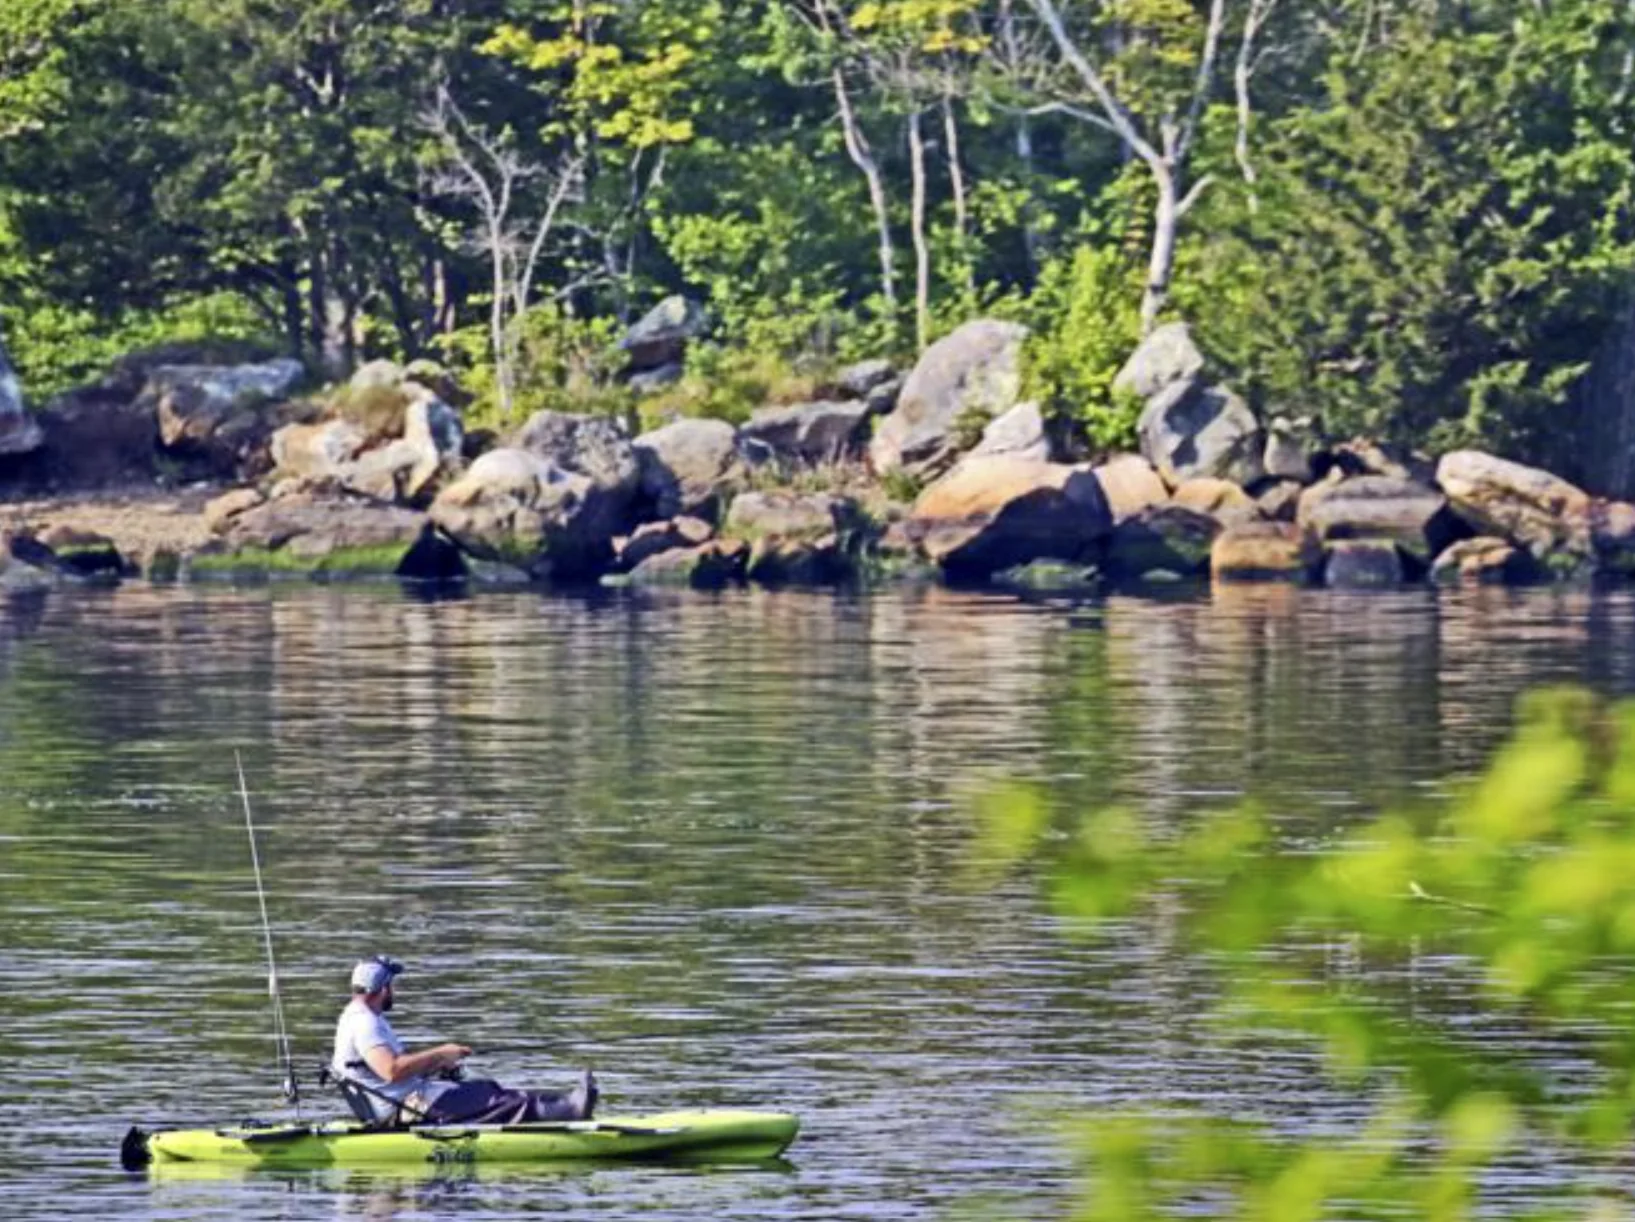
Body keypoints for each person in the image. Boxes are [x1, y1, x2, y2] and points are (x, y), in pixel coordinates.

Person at [331, 954, 597, 1126]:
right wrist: (441, 1052)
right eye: (392, 984)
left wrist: (438, 1065)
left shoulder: (364, 1017)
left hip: (408, 1099)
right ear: (382, 987)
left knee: (488, 1090)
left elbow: (394, 1068)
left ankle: (564, 1106)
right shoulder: (363, 1022)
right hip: (404, 1109)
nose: (394, 991)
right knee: (496, 1101)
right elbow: (391, 1070)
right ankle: (571, 1111)